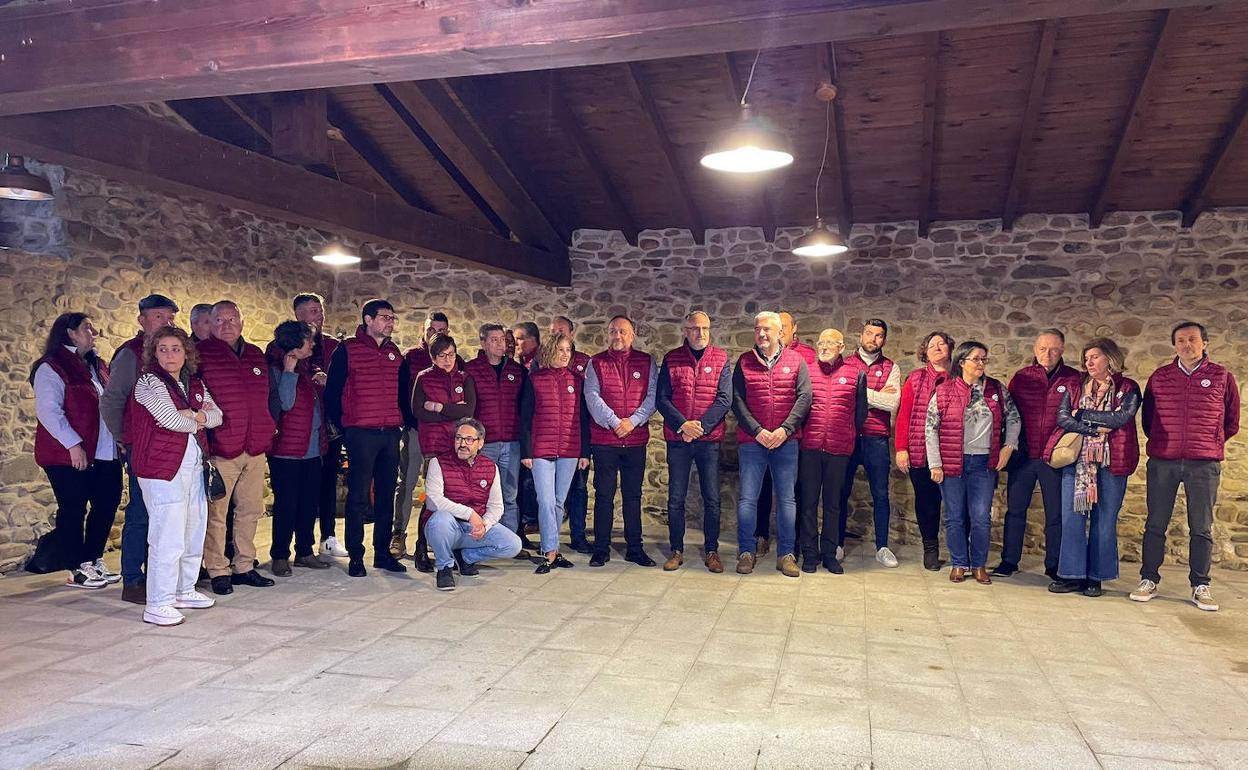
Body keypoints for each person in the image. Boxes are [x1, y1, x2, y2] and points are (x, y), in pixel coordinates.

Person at [1131, 321, 1240, 611]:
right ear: (1174, 345)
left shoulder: (1221, 376)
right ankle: (1148, 578)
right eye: (1180, 340)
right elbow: (1148, 419)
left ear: (1204, 342)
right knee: (1155, 522)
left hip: (1203, 463)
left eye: (1192, 339)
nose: (1186, 345)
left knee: (1201, 526)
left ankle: (1200, 584)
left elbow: (1231, 421)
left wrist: (1209, 442)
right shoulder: (1160, 377)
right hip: (1163, 460)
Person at [125, 326, 221, 626]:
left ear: (186, 352)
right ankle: (158, 602)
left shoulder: (194, 383)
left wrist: (195, 415)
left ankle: (184, 589)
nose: (170, 355)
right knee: (167, 536)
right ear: (154, 352)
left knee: (193, 530)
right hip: (160, 468)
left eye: (176, 348)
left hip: (192, 466)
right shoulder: (147, 383)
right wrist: (197, 416)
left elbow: (217, 415)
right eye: (163, 349)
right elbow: (168, 420)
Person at [31, 312, 123, 589]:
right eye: (87, 328)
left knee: (107, 504)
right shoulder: (52, 366)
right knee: (73, 509)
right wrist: (73, 444)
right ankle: (75, 567)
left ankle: (92, 559)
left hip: (105, 450)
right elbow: (48, 410)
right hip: (68, 453)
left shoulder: (98, 366)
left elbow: (108, 405)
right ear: (70, 333)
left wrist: (119, 437)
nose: (94, 333)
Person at [100, 293, 178, 604]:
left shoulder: (174, 351)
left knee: (169, 511)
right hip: (142, 445)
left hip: (173, 443)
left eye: (170, 316)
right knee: (141, 512)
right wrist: (123, 437)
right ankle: (133, 578)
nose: (166, 322)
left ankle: (163, 574)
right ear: (142, 320)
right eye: (159, 316)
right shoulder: (131, 355)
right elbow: (111, 400)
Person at [1046, 338, 1139, 598]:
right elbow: (1063, 417)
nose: (1089, 362)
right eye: (1086, 358)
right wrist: (1093, 426)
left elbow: (1122, 417)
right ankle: (1071, 575)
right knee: (1072, 518)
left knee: (1104, 521)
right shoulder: (1075, 386)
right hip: (1078, 462)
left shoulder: (1128, 387)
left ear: (1110, 358)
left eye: (1095, 356)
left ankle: (1096, 577)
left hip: (1112, 462)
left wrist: (1082, 415)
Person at [196, 300, 276, 595]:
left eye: (232, 320)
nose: (226, 325)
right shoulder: (201, 355)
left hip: (254, 446)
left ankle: (244, 565)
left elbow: (267, 398)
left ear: (241, 323)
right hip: (222, 447)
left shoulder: (255, 354)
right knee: (217, 514)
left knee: (250, 510)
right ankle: (217, 569)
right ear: (210, 324)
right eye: (219, 320)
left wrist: (268, 428)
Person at [324, 298, 408, 577]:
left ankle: (382, 554)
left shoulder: (395, 353)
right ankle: (356, 556)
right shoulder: (348, 350)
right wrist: (343, 426)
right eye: (385, 317)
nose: (390, 322)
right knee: (358, 497)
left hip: (389, 432)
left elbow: (403, 394)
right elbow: (333, 392)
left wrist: (403, 422)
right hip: (360, 432)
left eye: (392, 318)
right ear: (368, 320)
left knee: (385, 495)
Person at [926, 341, 1020, 585]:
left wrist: (1008, 447)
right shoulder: (944, 390)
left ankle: (978, 564)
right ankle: (959, 563)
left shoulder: (995, 390)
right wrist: (935, 464)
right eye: (976, 359)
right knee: (954, 516)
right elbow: (930, 428)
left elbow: (1013, 418)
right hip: (952, 462)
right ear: (961, 362)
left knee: (980, 516)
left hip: (983, 463)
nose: (981, 364)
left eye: (984, 359)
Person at [994, 329, 1081, 579]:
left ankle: (1053, 564)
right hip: (1024, 456)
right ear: (1035, 349)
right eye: (1043, 348)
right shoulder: (1021, 377)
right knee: (1015, 511)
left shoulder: (1074, 379)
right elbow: (1009, 415)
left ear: (1062, 350)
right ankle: (1009, 561)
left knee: (1055, 514)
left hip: (1053, 457)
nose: (1048, 354)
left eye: (1054, 349)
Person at [732, 311, 812, 578]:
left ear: (780, 333)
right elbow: (737, 401)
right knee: (747, 499)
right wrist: (757, 431)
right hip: (752, 443)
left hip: (785, 443)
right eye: (757, 329)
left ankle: (786, 555)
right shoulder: (744, 362)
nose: (762, 334)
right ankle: (746, 551)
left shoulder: (796, 360)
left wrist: (784, 430)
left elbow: (804, 397)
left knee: (787, 500)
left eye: (767, 329)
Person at [655, 311, 731, 573]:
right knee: (676, 498)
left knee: (712, 498)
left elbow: (724, 399)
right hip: (678, 439)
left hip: (708, 440)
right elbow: (661, 399)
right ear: (685, 331)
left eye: (705, 328)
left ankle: (712, 550)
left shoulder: (721, 358)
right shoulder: (672, 358)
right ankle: (676, 549)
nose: (701, 333)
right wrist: (682, 425)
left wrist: (699, 427)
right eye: (695, 328)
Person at [585, 315, 658, 567]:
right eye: (613, 331)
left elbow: (652, 397)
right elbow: (592, 396)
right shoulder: (596, 363)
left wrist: (633, 421)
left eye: (623, 332)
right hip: (605, 440)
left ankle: (634, 548)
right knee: (604, 494)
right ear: (608, 334)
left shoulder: (647, 362)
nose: (618, 336)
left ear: (632, 335)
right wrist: (616, 422)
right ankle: (601, 548)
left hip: (635, 440)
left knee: (633, 495)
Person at [425, 418, 523, 591]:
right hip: (448, 528)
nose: (462, 444)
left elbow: (496, 506)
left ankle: (466, 557)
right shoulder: (438, 463)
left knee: (513, 544)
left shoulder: (490, 467)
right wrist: (469, 514)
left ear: (480, 443)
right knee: (440, 519)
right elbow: (434, 501)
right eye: (458, 438)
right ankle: (444, 567)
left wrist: (484, 525)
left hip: (473, 529)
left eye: (469, 439)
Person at [266, 320, 331, 577]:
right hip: (287, 450)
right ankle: (280, 555)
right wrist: (289, 372)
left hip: (313, 448)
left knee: (308, 502)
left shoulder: (307, 368)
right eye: (309, 340)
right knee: (286, 504)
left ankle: (305, 551)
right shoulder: (277, 368)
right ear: (296, 343)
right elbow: (285, 402)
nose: (313, 344)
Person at [798, 329, 867, 574]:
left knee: (833, 504)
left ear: (841, 346)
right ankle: (809, 553)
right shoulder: (806, 370)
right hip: (810, 448)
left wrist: (846, 434)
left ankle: (829, 553)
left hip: (839, 449)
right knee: (807, 502)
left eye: (830, 343)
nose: (824, 347)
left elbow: (860, 414)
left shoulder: (855, 373)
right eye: (821, 342)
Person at [521, 333, 591, 574]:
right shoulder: (535, 380)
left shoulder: (577, 380)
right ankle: (549, 551)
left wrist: (584, 452)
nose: (565, 354)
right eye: (560, 349)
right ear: (550, 351)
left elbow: (583, 418)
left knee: (560, 502)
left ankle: (553, 549)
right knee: (546, 501)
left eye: (568, 350)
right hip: (541, 449)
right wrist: (527, 451)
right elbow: (526, 417)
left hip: (570, 449)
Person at [396, 311, 463, 558]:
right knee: (408, 483)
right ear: (423, 331)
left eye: (442, 330)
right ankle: (399, 534)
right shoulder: (411, 358)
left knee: (443, 489)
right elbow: (404, 396)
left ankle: (438, 538)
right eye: (432, 329)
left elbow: (463, 405)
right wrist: (413, 420)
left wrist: (442, 412)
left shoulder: (457, 363)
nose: (437, 334)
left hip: (447, 435)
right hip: (416, 430)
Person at [839, 318, 901, 567]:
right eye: (868, 333)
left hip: (877, 438)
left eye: (878, 335)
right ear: (860, 336)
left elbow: (891, 403)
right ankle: (837, 544)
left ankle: (882, 547)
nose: (873, 339)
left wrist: (859, 392)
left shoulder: (891, 367)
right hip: (849, 436)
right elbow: (841, 397)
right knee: (840, 492)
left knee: (881, 494)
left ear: (883, 339)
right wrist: (876, 395)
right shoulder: (845, 364)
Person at [411, 335, 478, 569]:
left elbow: (469, 410)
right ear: (433, 357)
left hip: (460, 447)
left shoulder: (464, 378)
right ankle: (421, 548)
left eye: (451, 354)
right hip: (434, 446)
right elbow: (419, 412)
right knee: (433, 499)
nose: (448, 359)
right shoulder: (424, 378)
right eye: (442, 355)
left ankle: (457, 549)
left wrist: (439, 407)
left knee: (459, 498)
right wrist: (453, 411)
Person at [895, 331, 955, 571]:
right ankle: (930, 549)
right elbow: (904, 415)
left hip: (952, 453)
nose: (937, 347)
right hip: (920, 452)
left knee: (956, 504)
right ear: (925, 351)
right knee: (927, 503)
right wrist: (901, 448)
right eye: (932, 344)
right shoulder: (916, 378)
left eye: (942, 344)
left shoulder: (959, 378)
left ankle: (961, 551)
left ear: (950, 349)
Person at [464, 324, 526, 552]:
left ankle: (509, 544)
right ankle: (477, 542)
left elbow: (524, 407)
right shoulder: (470, 369)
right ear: (483, 343)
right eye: (494, 340)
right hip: (485, 444)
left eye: (503, 339)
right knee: (480, 495)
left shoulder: (517, 371)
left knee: (510, 495)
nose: (501, 344)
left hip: (511, 441)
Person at [293, 292, 346, 559]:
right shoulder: (287, 345)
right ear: (298, 316)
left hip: (331, 424)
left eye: (320, 311)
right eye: (313, 311)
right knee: (300, 485)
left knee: (328, 481)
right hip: (299, 427)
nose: (319, 316)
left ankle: (328, 536)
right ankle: (299, 542)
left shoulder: (335, 345)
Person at [550, 315, 592, 553]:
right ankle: (550, 540)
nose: (558, 334)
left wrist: (584, 447)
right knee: (549, 496)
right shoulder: (541, 364)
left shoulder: (585, 363)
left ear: (572, 334)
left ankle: (578, 535)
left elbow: (587, 407)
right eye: (553, 331)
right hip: (548, 442)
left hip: (575, 439)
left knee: (578, 488)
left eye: (562, 331)